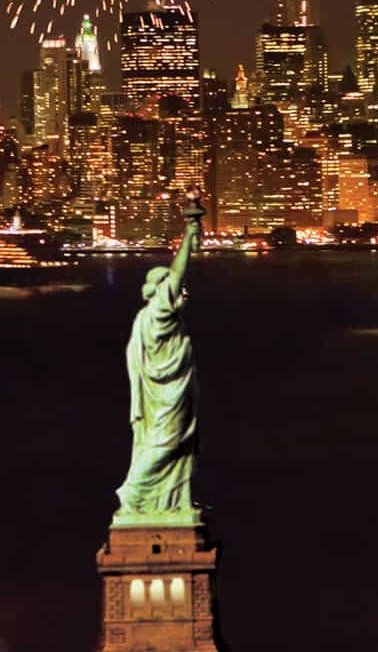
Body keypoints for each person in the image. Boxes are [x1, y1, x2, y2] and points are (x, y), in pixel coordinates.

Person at [114, 196, 206, 522]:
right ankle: (134, 493)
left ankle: (169, 500)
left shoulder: (149, 318)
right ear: (161, 290)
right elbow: (179, 274)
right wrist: (188, 233)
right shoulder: (157, 314)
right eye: (176, 289)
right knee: (165, 444)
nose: (184, 293)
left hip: (167, 395)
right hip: (165, 397)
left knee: (174, 447)